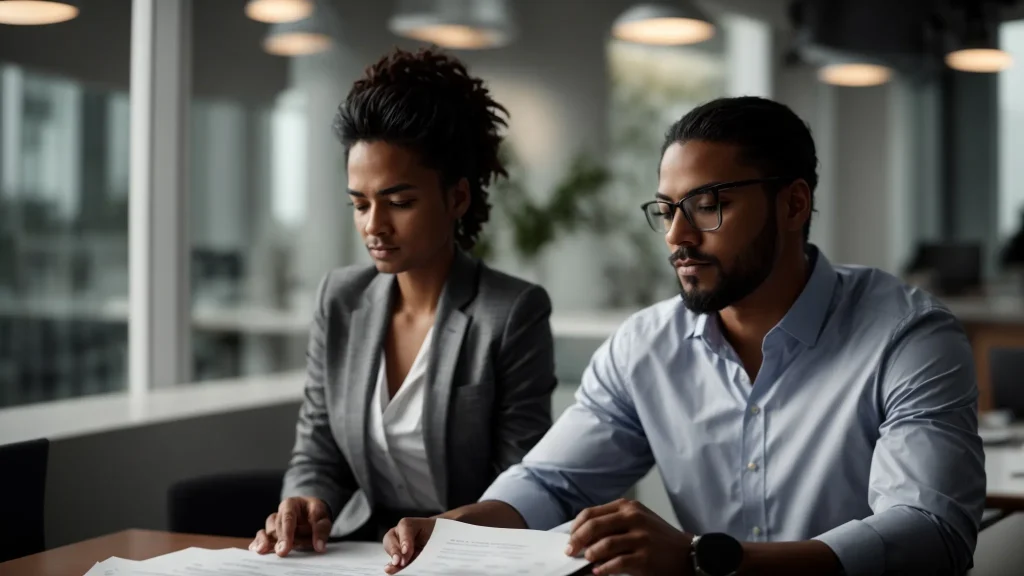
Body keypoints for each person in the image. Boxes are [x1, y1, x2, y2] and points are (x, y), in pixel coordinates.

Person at [381, 96, 986, 576]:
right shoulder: (643, 346)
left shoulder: (908, 335)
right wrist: (455, 527)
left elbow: (931, 531)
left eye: (708, 205)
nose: (677, 235)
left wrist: (704, 559)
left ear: (794, 203)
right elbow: (550, 481)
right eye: (667, 209)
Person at [248, 48, 558, 557]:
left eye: (400, 202)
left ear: (457, 199)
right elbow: (319, 445)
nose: (374, 226)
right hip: (359, 554)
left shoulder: (512, 312)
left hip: (469, 556)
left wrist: (445, 537)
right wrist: (304, 502)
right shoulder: (340, 298)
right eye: (360, 204)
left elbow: (519, 478)